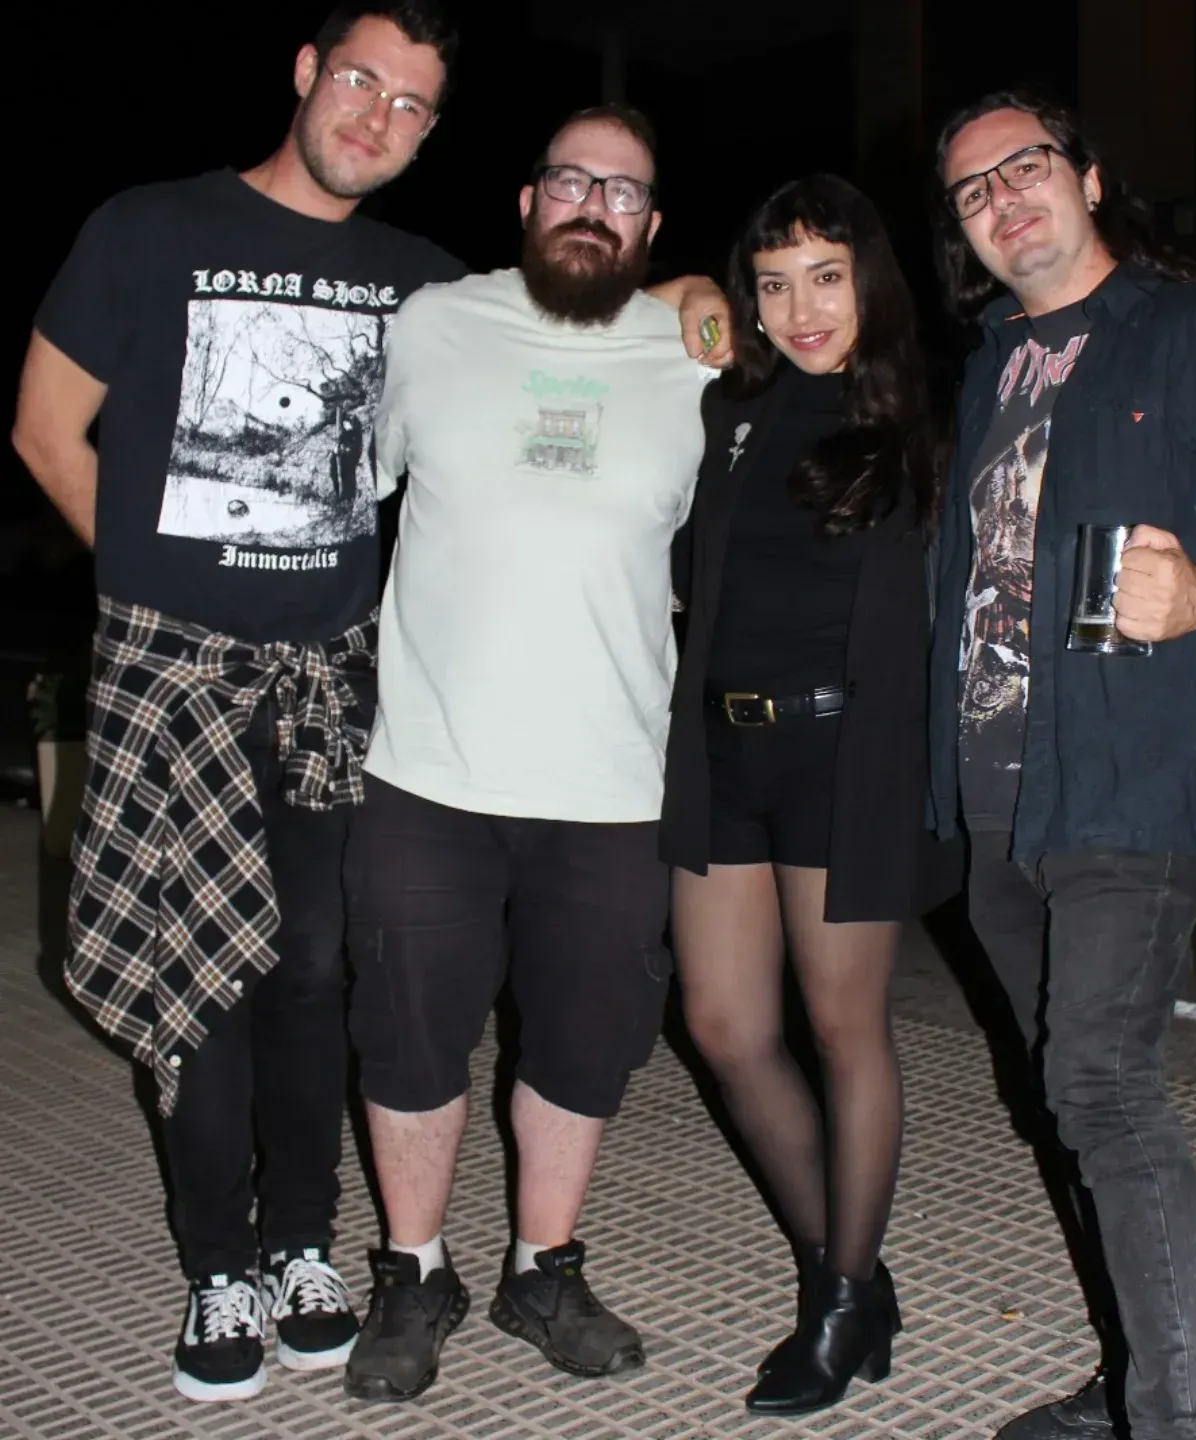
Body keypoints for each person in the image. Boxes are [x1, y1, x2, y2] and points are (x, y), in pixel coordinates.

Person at [10, 1, 473, 1403]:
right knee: (193, 985)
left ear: (429, 133)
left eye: (409, 106)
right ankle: (215, 1265)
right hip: (175, 674)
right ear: (304, 74)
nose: (375, 118)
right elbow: (43, 425)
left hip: (335, 687)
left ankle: (300, 1244)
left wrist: (693, 312)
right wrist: (160, 592)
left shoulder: (427, 284)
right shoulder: (147, 228)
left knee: (313, 975)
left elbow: (553, 362)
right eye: (358, 82)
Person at [927, 90, 1196, 1440]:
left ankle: (1182, 1421)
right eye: (973, 192)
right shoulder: (990, 359)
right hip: (997, 790)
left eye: (1026, 168)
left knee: (1101, 1083)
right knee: (1066, 1095)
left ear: (1089, 177)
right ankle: (1131, 1379)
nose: (1004, 201)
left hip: (1136, 771)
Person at [339, 102, 727, 1403]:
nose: (591, 205)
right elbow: (339, 501)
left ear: (654, 226)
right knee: (406, 1041)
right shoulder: (435, 325)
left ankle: (541, 1268)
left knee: (582, 1043)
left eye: (622, 193)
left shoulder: (694, 351)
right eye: (569, 180)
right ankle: (414, 1270)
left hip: (614, 786)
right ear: (525, 200)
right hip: (428, 776)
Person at [659, 175, 938, 1417]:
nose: (800, 307)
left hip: (843, 756)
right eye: (773, 284)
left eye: (825, 277)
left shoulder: (923, 421)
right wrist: (677, 292)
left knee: (841, 1030)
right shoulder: (727, 404)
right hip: (720, 750)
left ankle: (835, 1301)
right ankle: (855, 1270)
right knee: (723, 1025)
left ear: (867, 279)